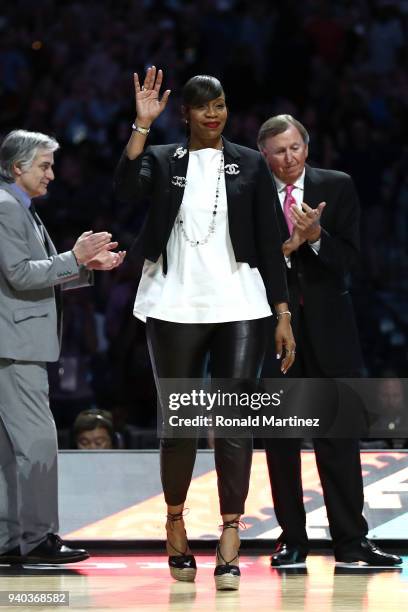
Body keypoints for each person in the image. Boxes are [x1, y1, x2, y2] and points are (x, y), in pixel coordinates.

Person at [114, 67, 295, 590]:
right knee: (181, 427)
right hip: (174, 302)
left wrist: (282, 314)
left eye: (220, 104)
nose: (214, 114)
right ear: (185, 113)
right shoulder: (162, 157)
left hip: (240, 301)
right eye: (203, 106)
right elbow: (126, 190)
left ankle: (231, 534)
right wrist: (141, 127)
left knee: (234, 421)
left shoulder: (252, 164)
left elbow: (268, 241)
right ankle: (175, 521)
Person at [257, 114, 402, 567]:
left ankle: (351, 542)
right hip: (271, 332)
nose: (289, 158)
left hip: (332, 332)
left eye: (296, 147)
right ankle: (292, 539)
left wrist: (316, 237)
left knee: (338, 438)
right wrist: (286, 245)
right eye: (279, 151)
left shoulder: (336, 187)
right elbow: (244, 262)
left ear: (307, 146)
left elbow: (350, 261)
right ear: (264, 156)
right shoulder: (251, 195)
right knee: (281, 441)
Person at [0, 129, 125, 565]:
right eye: (45, 165)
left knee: (9, 448)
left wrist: (86, 265)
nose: (52, 174)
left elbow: (27, 274)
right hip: (15, 346)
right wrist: (75, 257)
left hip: (12, 344)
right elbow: (20, 274)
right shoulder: (6, 207)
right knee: (37, 443)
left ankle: (9, 539)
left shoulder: (19, 207)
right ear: (18, 168)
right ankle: (37, 540)